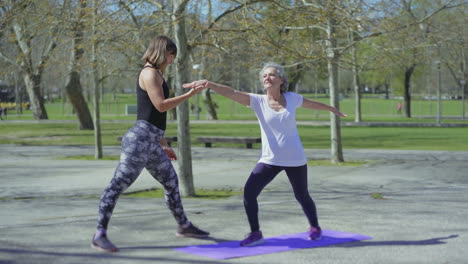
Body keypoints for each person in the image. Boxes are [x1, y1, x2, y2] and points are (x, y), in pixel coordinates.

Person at [183, 62, 347, 247]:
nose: (267, 78)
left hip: (295, 158)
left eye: (271, 75)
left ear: (281, 80)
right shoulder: (258, 101)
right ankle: (255, 233)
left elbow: (311, 103)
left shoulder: (292, 98)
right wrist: (210, 84)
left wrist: (331, 109)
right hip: (270, 160)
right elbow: (233, 93)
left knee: (302, 196)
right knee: (249, 193)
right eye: (264, 76)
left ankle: (315, 227)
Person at [92, 36, 209, 252]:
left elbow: (152, 114)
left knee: (171, 181)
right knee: (118, 185)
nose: (172, 60)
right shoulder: (149, 73)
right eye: (171, 55)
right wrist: (190, 95)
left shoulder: (156, 74)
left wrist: (163, 143)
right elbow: (161, 106)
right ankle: (99, 234)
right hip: (138, 141)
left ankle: (184, 225)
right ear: (162, 52)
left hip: (152, 141)